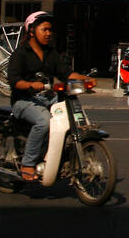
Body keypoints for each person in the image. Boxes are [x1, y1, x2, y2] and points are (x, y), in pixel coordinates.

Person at [6, 11, 96, 181]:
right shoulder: (20, 53)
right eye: (44, 29)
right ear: (31, 31)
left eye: (50, 30)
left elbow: (66, 73)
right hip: (23, 100)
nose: (48, 34)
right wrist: (31, 84)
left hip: (48, 97)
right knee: (44, 121)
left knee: (71, 120)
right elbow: (14, 81)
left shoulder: (50, 53)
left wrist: (86, 79)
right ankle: (28, 163)